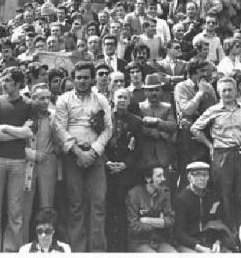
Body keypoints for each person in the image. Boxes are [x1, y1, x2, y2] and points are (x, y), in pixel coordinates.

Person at [54, 61, 112, 252]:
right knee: (75, 205)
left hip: (95, 156)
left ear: (92, 79)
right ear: (72, 78)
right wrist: (78, 152)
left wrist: (94, 151)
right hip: (73, 156)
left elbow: (108, 129)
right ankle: (77, 251)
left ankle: (97, 251)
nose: (82, 81)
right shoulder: (64, 100)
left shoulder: (100, 100)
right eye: (78, 77)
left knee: (98, 203)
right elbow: (60, 128)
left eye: (86, 77)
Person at [190, 76, 241, 231]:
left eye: (230, 90)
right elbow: (195, 128)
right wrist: (209, 145)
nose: (227, 93)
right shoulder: (213, 111)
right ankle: (228, 233)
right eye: (224, 90)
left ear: (236, 91)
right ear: (219, 93)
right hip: (221, 156)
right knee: (223, 195)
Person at [0, 67, 37, 252]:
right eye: (2, 80)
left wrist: (4, 127)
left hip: (18, 162)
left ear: (19, 84)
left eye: (7, 81)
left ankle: (11, 252)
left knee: (16, 213)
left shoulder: (29, 105)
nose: (3, 84)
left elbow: (30, 132)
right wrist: (18, 133)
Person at [105, 88, 143, 251]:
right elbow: (101, 143)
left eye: (125, 97)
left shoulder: (136, 121)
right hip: (106, 171)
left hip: (126, 172)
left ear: (129, 100)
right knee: (107, 209)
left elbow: (139, 149)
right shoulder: (105, 119)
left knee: (123, 211)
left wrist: (125, 164)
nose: (121, 100)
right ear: (113, 99)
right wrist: (107, 163)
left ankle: (122, 248)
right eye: (119, 97)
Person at [22, 85, 60, 244]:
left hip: (47, 164)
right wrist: (30, 153)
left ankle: (46, 245)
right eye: (40, 98)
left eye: (48, 98)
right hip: (26, 164)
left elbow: (60, 141)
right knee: (24, 208)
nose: (45, 102)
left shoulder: (53, 116)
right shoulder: (24, 116)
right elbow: (14, 142)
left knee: (46, 207)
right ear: (32, 98)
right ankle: (22, 245)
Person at [174, 58, 217, 188]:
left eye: (207, 70)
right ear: (193, 72)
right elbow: (187, 110)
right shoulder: (181, 87)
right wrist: (199, 94)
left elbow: (214, 111)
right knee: (188, 173)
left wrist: (207, 92)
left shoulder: (208, 87)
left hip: (204, 134)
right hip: (187, 136)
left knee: (205, 172)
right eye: (202, 71)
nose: (206, 74)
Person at [174, 161, 227, 252]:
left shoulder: (212, 196)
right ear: (189, 177)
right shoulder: (182, 199)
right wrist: (197, 246)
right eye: (197, 175)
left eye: (205, 175)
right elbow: (179, 232)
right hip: (189, 244)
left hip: (210, 242)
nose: (202, 178)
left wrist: (218, 242)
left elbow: (219, 222)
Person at [125, 165, 177, 252]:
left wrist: (146, 220)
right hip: (140, 242)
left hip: (160, 241)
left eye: (163, 175)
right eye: (159, 176)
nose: (163, 179)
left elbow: (171, 220)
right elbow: (133, 226)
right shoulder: (133, 194)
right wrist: (159, 222)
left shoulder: (165, 192)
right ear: (148, 179)